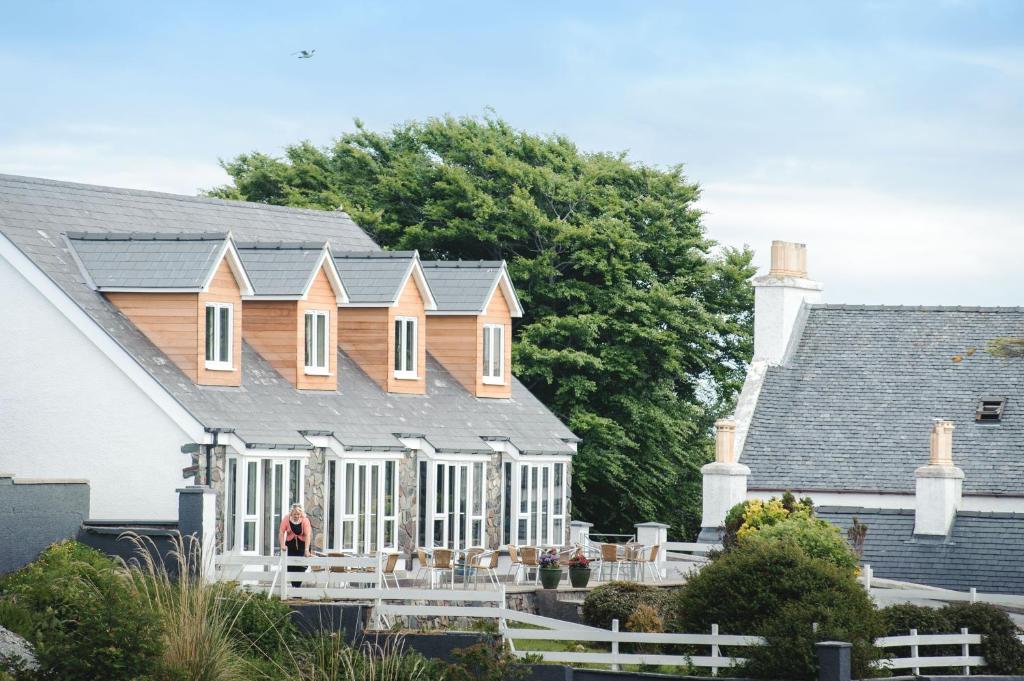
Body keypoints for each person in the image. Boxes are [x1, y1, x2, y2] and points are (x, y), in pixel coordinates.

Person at [279, 503, 312, 588]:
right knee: (290, 567)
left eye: (298, 514)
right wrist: (282, 545)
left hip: (302, 545)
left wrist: (306, 550)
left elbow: (308, 535)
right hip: (290, 545)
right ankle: (295, 587)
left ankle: (297, 588)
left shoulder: (305, 520)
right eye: (294, 514)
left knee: (301, 567)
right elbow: (281, 532)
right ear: (291, 513)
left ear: (301, 514)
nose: (296, 516)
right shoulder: (286, 519)